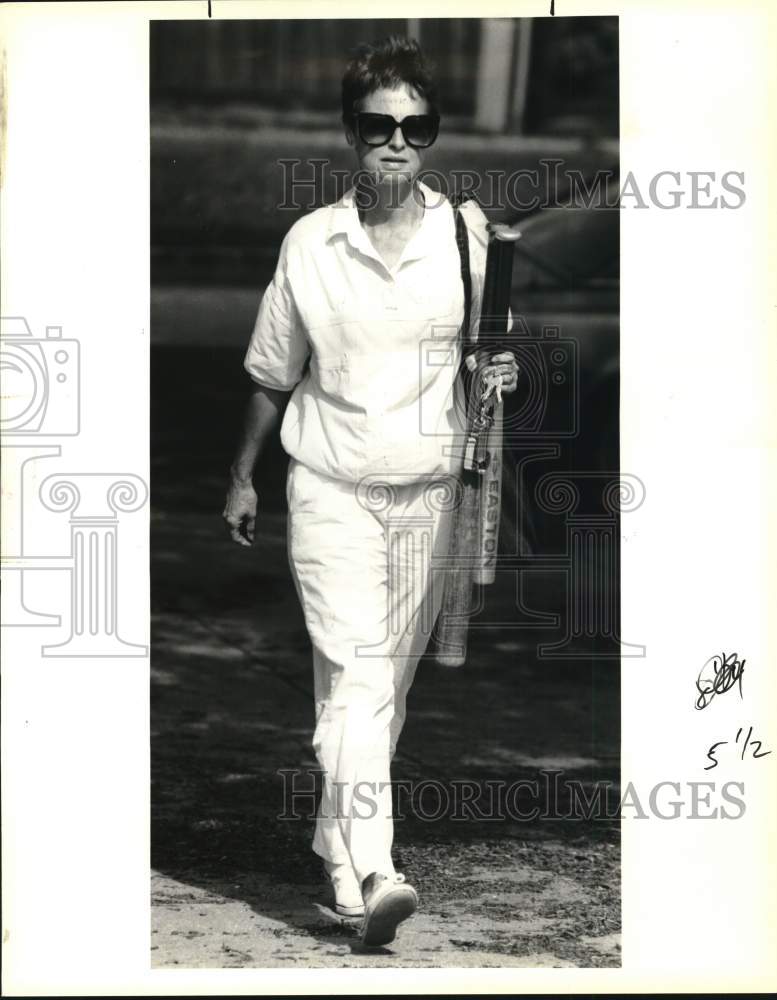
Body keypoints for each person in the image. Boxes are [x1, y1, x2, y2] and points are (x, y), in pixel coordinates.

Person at [222, 36, 518, 948]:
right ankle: (382, 867)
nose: (396, 142)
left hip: (431, 494)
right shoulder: (310, 242)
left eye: (414, 126)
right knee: (357, 675)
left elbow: (485, 355)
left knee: (376, 691)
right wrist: (242, 474)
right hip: (330, 487)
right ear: (351, 134)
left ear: (430, 135)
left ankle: (337, 857)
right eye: (378, 125)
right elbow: (274, 372)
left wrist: (499, 370)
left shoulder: (467, 237)